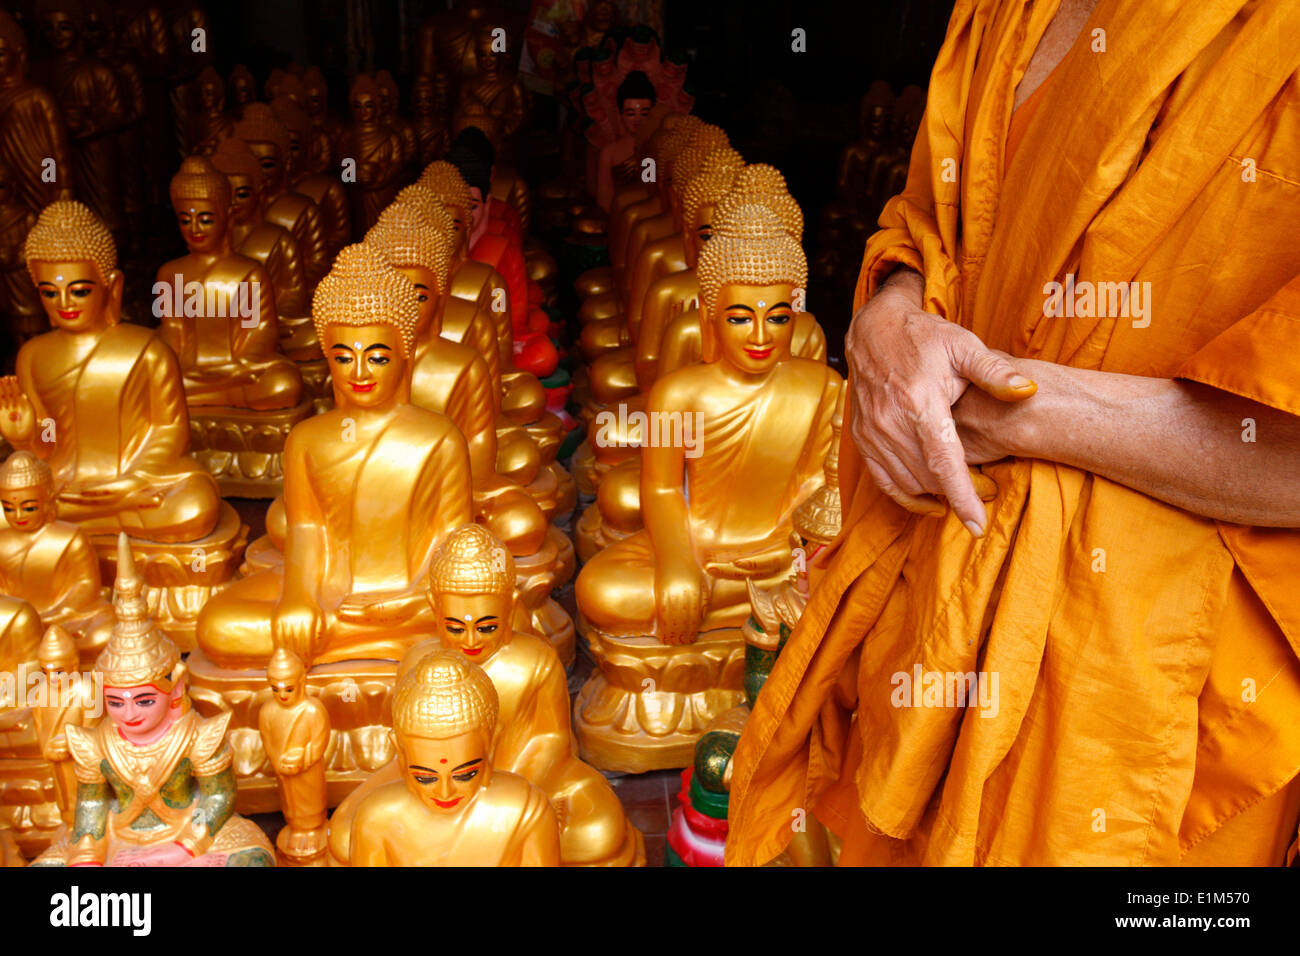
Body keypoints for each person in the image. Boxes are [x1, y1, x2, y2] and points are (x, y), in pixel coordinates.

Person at [728, 0, 1300, 867]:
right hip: (939, 585)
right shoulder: (1004, 8)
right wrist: (889, 318)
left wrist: (1014, 410)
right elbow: (930, 223)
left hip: (1140, 683)